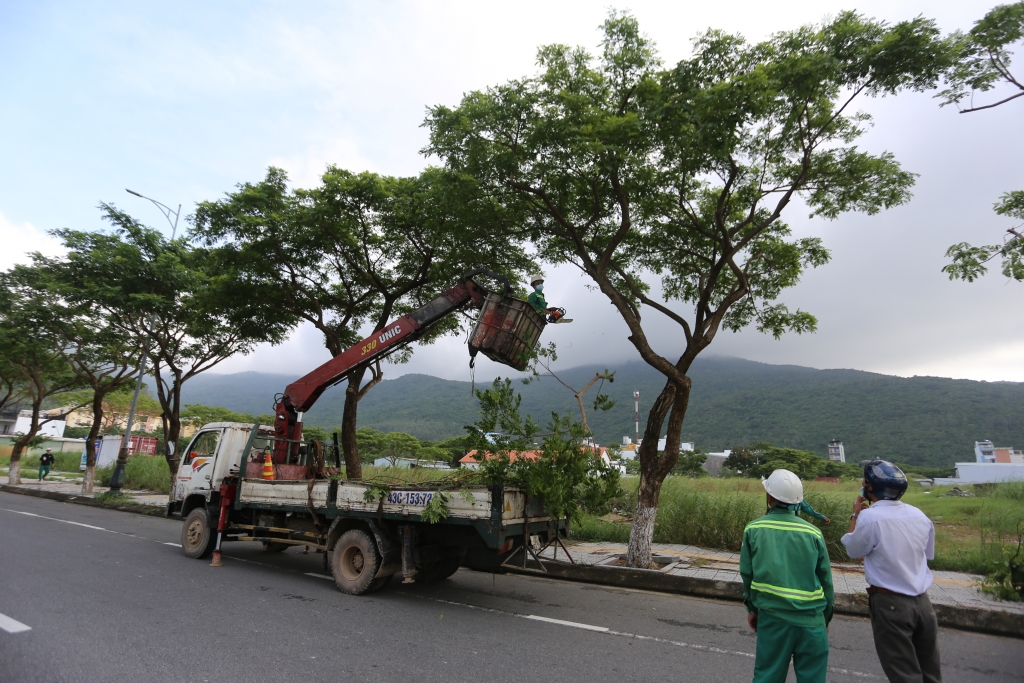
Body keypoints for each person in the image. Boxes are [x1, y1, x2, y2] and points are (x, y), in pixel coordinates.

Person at [841, 460, 941, 683]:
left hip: (891, 604)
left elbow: (853, 551)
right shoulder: (919, 515)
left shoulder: (870, 518)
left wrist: (855, 515)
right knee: (931, 673)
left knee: (904, 674)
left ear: (870, 487)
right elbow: (925, 555)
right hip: (924, 604)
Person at [741, 469, 834, 683]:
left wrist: (752, 609)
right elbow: (826, 581)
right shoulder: (813, 533)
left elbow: (748, 575)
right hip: (813, 622)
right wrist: (825, 618)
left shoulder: (754, 529)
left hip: (773, 619)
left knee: (768, 676)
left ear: (770, 497)